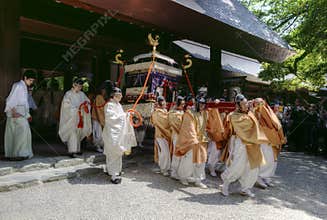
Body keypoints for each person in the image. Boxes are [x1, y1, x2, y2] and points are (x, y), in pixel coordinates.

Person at [220, 94, 267, 197]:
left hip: (253, 143)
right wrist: (252, 111)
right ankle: (225, 185)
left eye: (246, 103)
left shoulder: (249, 112)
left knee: (253, 167)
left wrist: (257, 102)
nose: (246, 105)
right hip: (241, 142)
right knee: (238, 165)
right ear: (238, 106)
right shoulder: (234, 116)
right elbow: (247, 127)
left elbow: (260, 107)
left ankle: (245, 188)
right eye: (243, 104)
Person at [102, 82, 137, 184]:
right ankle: (114, 175)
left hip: (118, 133)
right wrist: (125, 115)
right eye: (119, 95)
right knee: (113, 153)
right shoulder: (109, 105)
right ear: (113, 96)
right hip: (112, 133)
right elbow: (111, 119)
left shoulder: (118, 105)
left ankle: (114, 171)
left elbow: (121, 117)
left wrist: (127, 115)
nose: (120, 97)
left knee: (117, 153)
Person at [175, 97, 208, 189]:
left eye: (204, 104)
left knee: (201, 161)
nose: (202, 106)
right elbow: (189, 127)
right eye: (200, 103)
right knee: (188, 160)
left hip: (202, 140)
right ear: (196, 103)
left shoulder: (204, 113)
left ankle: (198, 179)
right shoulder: (189, 113)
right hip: (192, 141)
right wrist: (194, 139)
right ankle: (183, 177)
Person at [253, 98, 286, 188]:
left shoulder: (269, 112)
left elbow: (276, 125)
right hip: (263, 138)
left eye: (261, 103)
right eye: (258, 103)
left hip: (272, 138)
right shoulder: (254, 112)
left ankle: (267, 177)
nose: (260, 105)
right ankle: (259, 177)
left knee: (272, 159)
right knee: (265, 158)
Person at [4, 70, 37, 160]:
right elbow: (10, 100)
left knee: (23, 133)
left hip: (22, 113)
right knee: (20, 133)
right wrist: (13, 112)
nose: (31, 82)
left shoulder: (24, 87)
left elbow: (24, 103)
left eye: (32, 81)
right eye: (30, 80)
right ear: (25, 78)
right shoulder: (18, 85)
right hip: (15, 113)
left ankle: (21, 153)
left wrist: (27, 115)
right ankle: (18, 154)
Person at [58, 78, 92, 157]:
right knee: (72, 133)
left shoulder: (82, 94)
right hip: (72, 117)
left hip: (80, 117)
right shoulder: (68, 94)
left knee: (78, 132)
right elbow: (66, 106)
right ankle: (72, 150)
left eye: (81, 86)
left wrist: (86, 105)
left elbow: (87, 102)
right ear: (74, 85)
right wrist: (77, 109)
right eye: (78, 86)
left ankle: (77, 149)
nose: (79, 88)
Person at [150, 96, 171, 176]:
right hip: (160, 134)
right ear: (159, 103)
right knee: (164, 152)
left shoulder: (165, 111)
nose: (165, 103)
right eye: (163, 102)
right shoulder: (156, 113)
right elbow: (161, 123)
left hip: (166, 134)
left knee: (165, 152)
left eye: (165, 101)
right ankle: (163, 168)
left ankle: (165, 168)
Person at [206, 99, 225, 177]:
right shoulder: (212, 111)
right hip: (215, 135)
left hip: (224, 136)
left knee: (219, 154)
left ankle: (215, 167)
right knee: (214, 152)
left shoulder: (225, 113)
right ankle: (211, 168)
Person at [168, 96, 185, 179]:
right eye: (182, 104)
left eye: (184, 104)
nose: (183, 105)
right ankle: (174, 172)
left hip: (184, 136)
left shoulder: (182, 112)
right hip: (177, 135)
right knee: (176, 153)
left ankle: (180, 171)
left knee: (181, 154)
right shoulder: (173, 113)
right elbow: (177, 125)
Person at [91, 83, 107, 152]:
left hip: (100, 117)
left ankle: (101, 146)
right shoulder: (99, 97)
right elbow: (98, 109)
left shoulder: (102, 97)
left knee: (101, 133)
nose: (104, 91)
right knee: (98, 133)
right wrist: (101, 118)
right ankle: (97, 146)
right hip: (96, 117)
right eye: (104, 90)